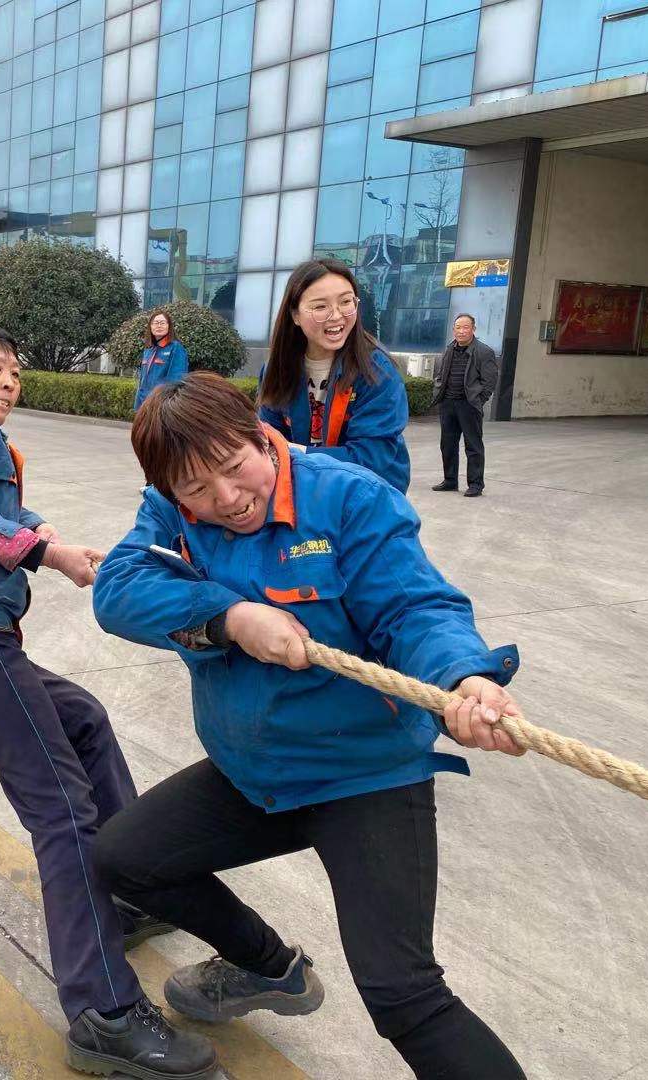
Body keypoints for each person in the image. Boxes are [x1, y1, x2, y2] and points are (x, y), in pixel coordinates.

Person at [91, 373, 526, 1080]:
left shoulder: (347, 498)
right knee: (122, 858)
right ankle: (267, 967)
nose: (227, 499)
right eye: (197, 489)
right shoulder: (170, 511)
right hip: (257, 772)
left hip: (364, 776)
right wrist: (231, 617)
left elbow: (415, 609)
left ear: (260, 436)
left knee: (404, 995)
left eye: (235, 468)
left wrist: (463, 679)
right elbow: (118, 590)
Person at [0, 325, 213, 1080]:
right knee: (60, 807)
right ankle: (104, 1012)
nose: (10, 382)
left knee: (83, 719)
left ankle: (129, 890)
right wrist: (46, 552)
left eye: (17, 372)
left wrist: (41, 531)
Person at [257, 258, 410, 494]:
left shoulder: (377, 371)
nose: (337, 316)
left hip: (368, 495)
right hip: (305, 491)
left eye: (346, 302)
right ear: (295, 315)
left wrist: (294, 452)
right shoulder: (277, 369)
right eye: (320, 307)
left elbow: (370, 458)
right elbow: (269, 441)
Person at [431, 314, 499, 498]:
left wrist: (478, 400)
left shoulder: (484, 352)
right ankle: (450, 481)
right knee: (447, 444)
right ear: (453, 330)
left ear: (473, 329)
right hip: (448, 404)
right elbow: (441, 374)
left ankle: (476, 484)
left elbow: (490, 381)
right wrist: (438, 390)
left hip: (469, 405)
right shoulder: (449, 349)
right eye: (458, 327)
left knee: (473, 446)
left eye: (465, 327)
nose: (461, 331)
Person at [134, 308, 190, 411]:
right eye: (155, 323)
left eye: (162, 323)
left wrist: (166, 406)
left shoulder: (175, 348)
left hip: (162, 406)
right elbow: (142, 381)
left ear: (169, 326)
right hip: (144, 404)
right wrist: (138, 406)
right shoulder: (148, 350)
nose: (159, 326)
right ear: (150, 327)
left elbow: (176, 380)